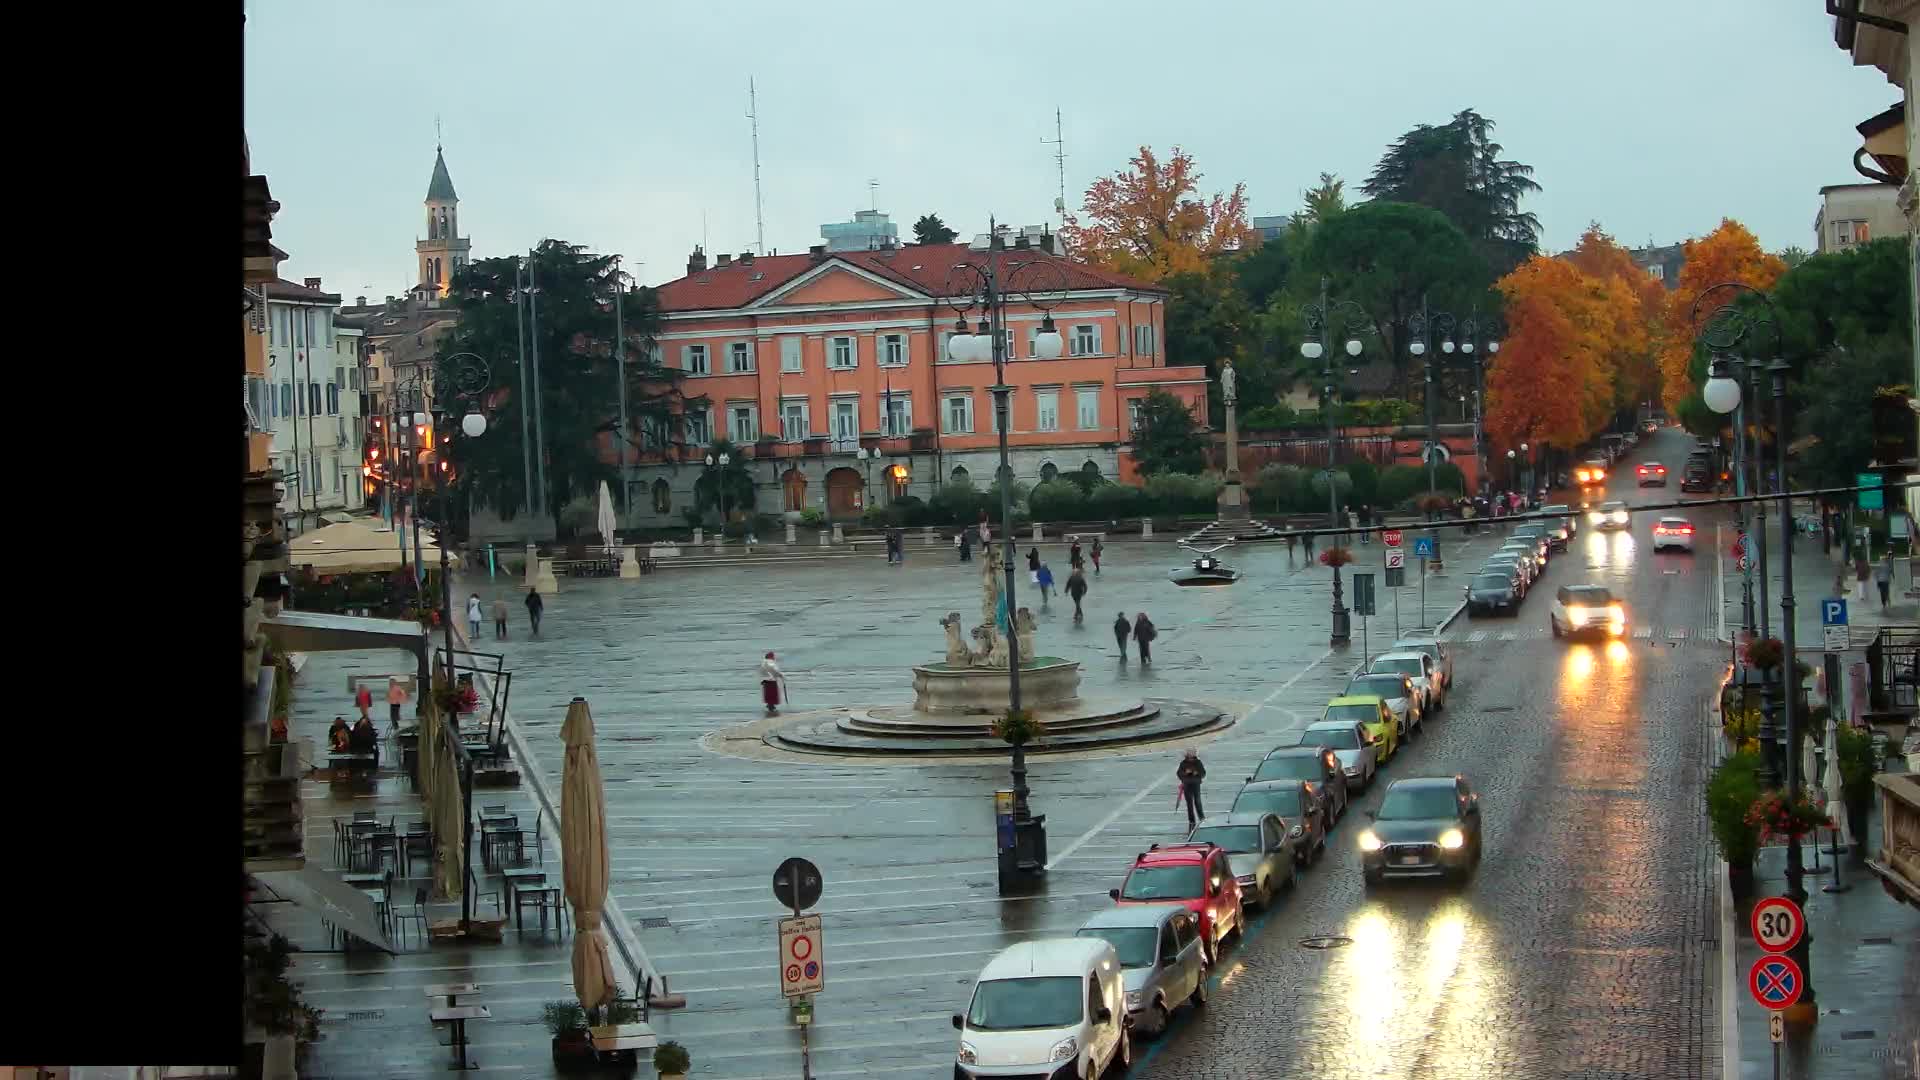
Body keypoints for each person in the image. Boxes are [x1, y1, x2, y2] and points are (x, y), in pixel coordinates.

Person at [1177, 749, 1207, 830]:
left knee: (1198, 801)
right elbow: (1179, 773)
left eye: (1191, 754)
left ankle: (1201, 817)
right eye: (1189, 754)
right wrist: (1185, 773)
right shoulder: (1183, 763)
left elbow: (1203, 773)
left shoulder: (1198, 763)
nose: (1190, 756)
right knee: (1189, 804)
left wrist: (1197, 773)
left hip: (1196, 784)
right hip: (1187, 784)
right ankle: (1192, 820)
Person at [759, 651, 788, 716]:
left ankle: (770, 705)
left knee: (768, 694)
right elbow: (774, 670)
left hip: (765, 681)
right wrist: (781, 675)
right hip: (771, 681)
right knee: (772, 694)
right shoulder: (770, 662)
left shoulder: (763, 663)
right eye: (773, 656)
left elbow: (761, 672)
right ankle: (771, 706)